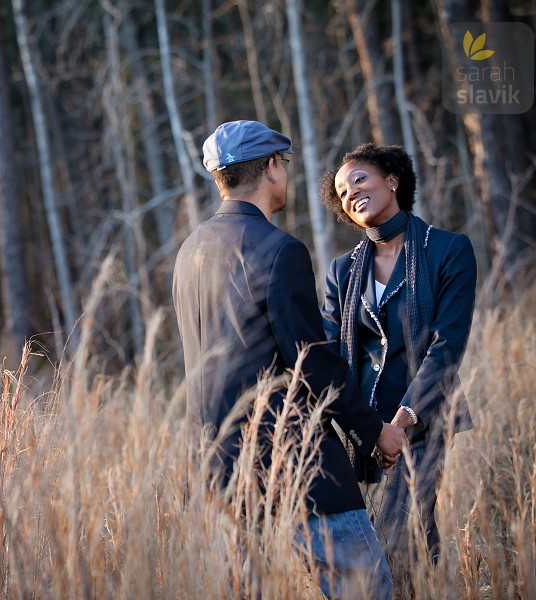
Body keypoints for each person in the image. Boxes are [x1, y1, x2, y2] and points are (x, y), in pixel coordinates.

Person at [173, 120, 407, 598]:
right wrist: (376, 432)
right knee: (364, 589)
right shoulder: (280, 250)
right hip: (296, 463)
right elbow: (313, 365)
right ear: (274, 168)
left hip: (219, 471)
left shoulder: (188, 251)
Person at [318, 143, 476, 583]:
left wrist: (402, 421)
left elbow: (448, 345)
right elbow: (331, 354)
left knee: (401, 529)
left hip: (423, 417)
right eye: (342, 193)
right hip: (362, 427)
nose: (351, 193)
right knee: (384, 539)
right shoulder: (341, 271)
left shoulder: (446, 249)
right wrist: (367, 429)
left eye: (359, 179)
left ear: (392, 179)